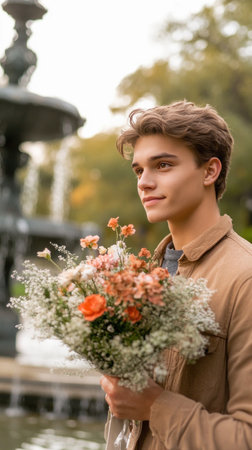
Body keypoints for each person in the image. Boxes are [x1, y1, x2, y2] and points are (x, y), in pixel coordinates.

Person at [100, 100, 252, 449]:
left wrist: (156, 407)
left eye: (163, 165)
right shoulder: (139, 275)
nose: (145, 182)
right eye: (139, 170)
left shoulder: (245, 278)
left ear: (209, 172)